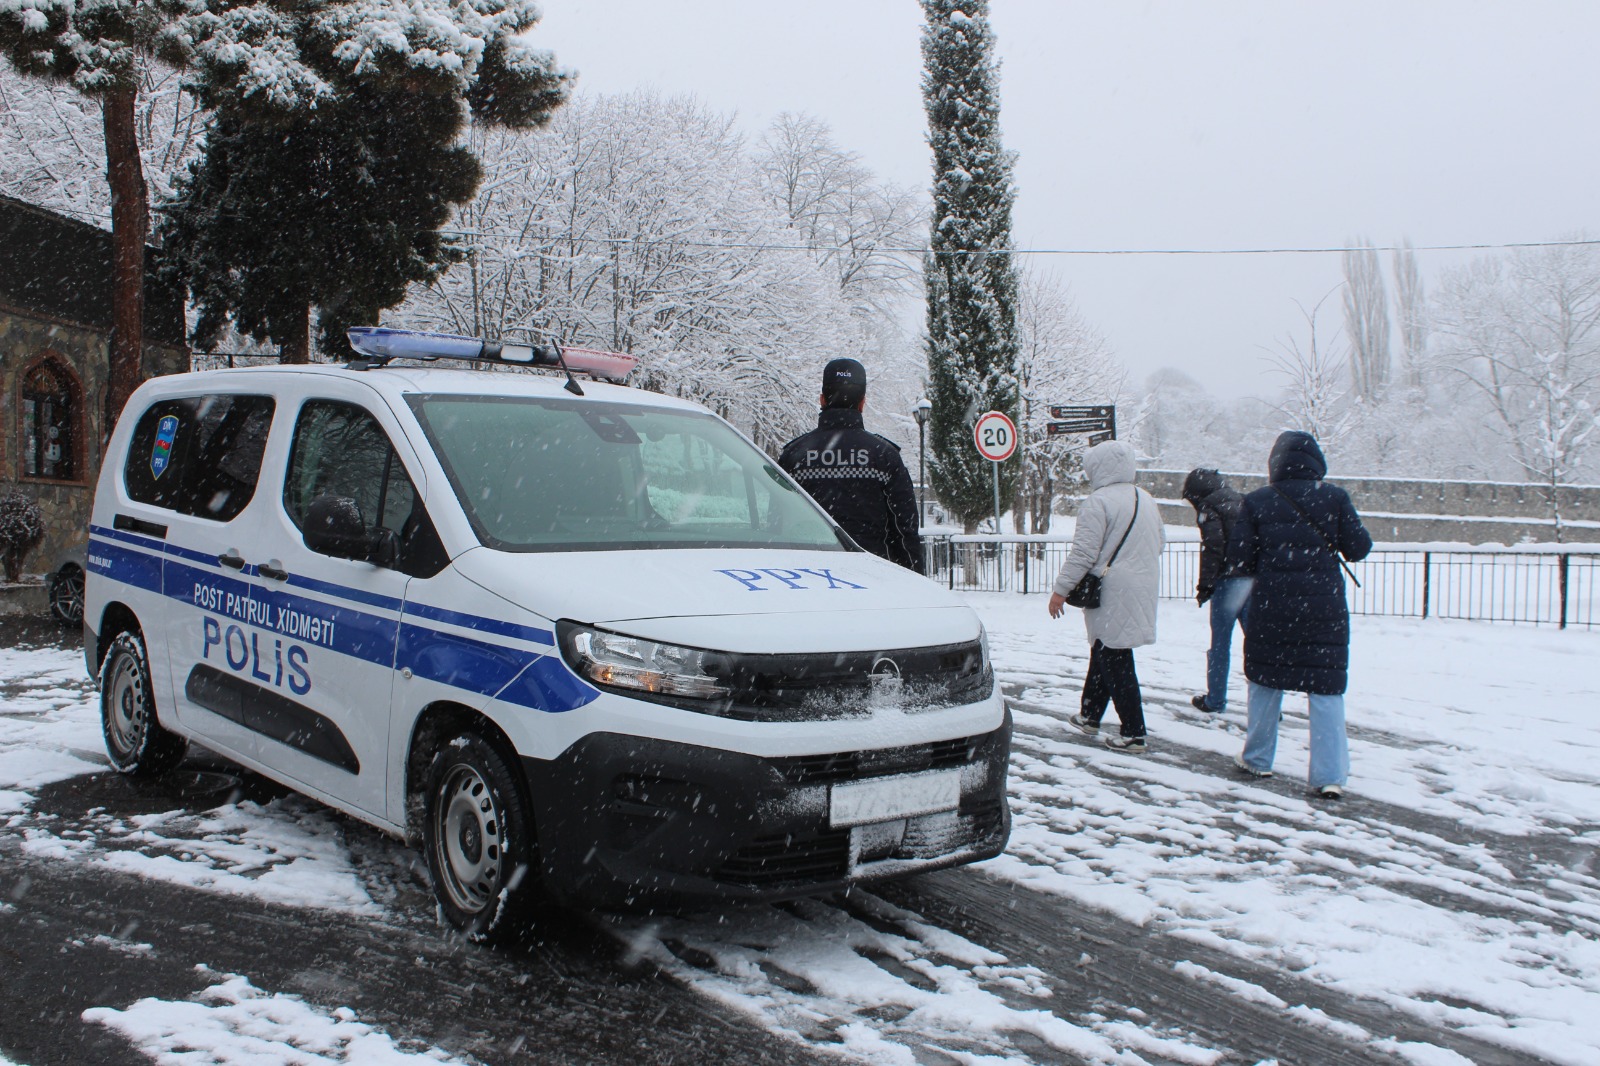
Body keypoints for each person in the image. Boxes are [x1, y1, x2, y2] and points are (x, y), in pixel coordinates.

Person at [1226, 430, 1372, 798]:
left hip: (1272, 606)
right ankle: (1329, 775)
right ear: (1316, 461)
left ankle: (1258, 758)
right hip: (1324, 609)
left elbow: (1240, 558)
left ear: (1274, 464)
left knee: (1265, 680)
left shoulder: (1256, 501)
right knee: (1325, 688)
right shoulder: (1335, 497)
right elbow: (1358, 548)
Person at [1048, 439, 1164, 752]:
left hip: (1112, 589)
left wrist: (1060, 591)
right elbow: (1160, 543)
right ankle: (1090, 715)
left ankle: (1134, 733)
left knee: (1116, 657)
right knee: (1105, 646)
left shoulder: (1098, 502)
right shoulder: (1146, 499)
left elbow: (1084, 553)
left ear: (1098, 468)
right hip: (1143, 585)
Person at [778, 358, 924, 573]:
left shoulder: (793, 455)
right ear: (862, 402)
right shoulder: (884, 455)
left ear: (822, 399)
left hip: (806, 576)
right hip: (871, 575)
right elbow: (905, 531)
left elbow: (777, 523)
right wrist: (915, 578)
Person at [1182, 468, 1251, 714]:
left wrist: (1205, 586)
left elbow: (1213, 548)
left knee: (1220, 644)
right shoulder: (1243, 499)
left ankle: (1216, 699)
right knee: (1256, 644)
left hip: (1228, 582)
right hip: (1252, 581)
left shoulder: (1209, 507)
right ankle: (1267, 703)